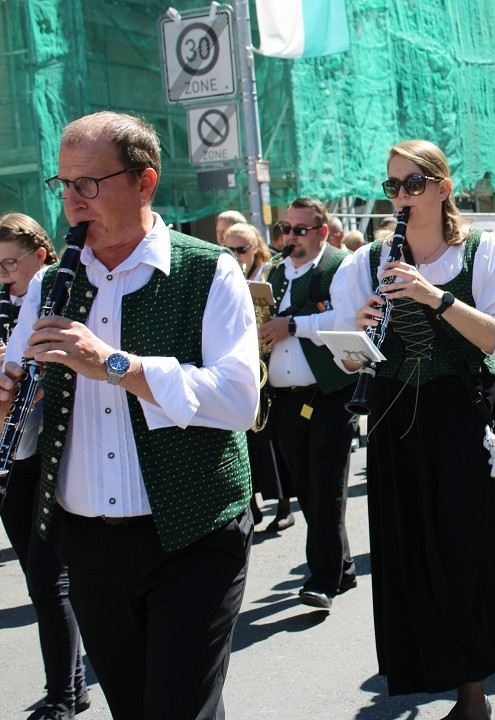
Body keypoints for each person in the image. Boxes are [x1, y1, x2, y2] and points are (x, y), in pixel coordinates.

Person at [0, 110, 259, 719]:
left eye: (88, 183)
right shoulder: (47, 286)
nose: (72, 201)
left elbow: (240, 400)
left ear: (145, 182)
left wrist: (116, 365)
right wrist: (10, 400)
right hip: (86, 542)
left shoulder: (208, 269)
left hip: (194, 534)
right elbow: (26, 417)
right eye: (62, 185)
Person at [334, 139, 495, 718]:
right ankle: (449, 677)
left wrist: (434, 297)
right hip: (397, 417)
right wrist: (357, 337)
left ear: (443, 188)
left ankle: (475, 688)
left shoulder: (486, 252)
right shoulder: (366, 261)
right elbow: (352, 359)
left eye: (413, 185)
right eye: (392, 187)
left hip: (463, 412)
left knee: (469, 548)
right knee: (413, 551)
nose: (400, 197)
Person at [0, 214, 89, 720]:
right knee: (40, 580)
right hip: (15, 453)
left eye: (12, 261)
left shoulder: (54, 293)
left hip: (50, 450)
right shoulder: (7, 304)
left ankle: (64, 693)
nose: (4, 273)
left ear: (41, 254)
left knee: (47, 574)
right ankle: (70, 682)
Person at [262, 197, 356, 610]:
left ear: (322, 232)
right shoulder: (274, 273)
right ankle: (343, 566)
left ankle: (321, 579)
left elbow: (346, 319)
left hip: (330, 396)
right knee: (306, 489)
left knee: (327, 490)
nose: (290, 237)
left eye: (300, 230)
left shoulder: (341, 266)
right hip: (284, 401)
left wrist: (291, 326)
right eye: (286, 228)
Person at [221, 223, 295, 532]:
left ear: (255, 249)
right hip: (243, 363)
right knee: (249, 438)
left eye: (242, 250)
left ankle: (284, 503)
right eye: (231, 250)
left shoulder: (268, 273)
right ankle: (251, 502)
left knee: (273, 438)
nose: (237, 256)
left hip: (270, 361)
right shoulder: (224, 275)